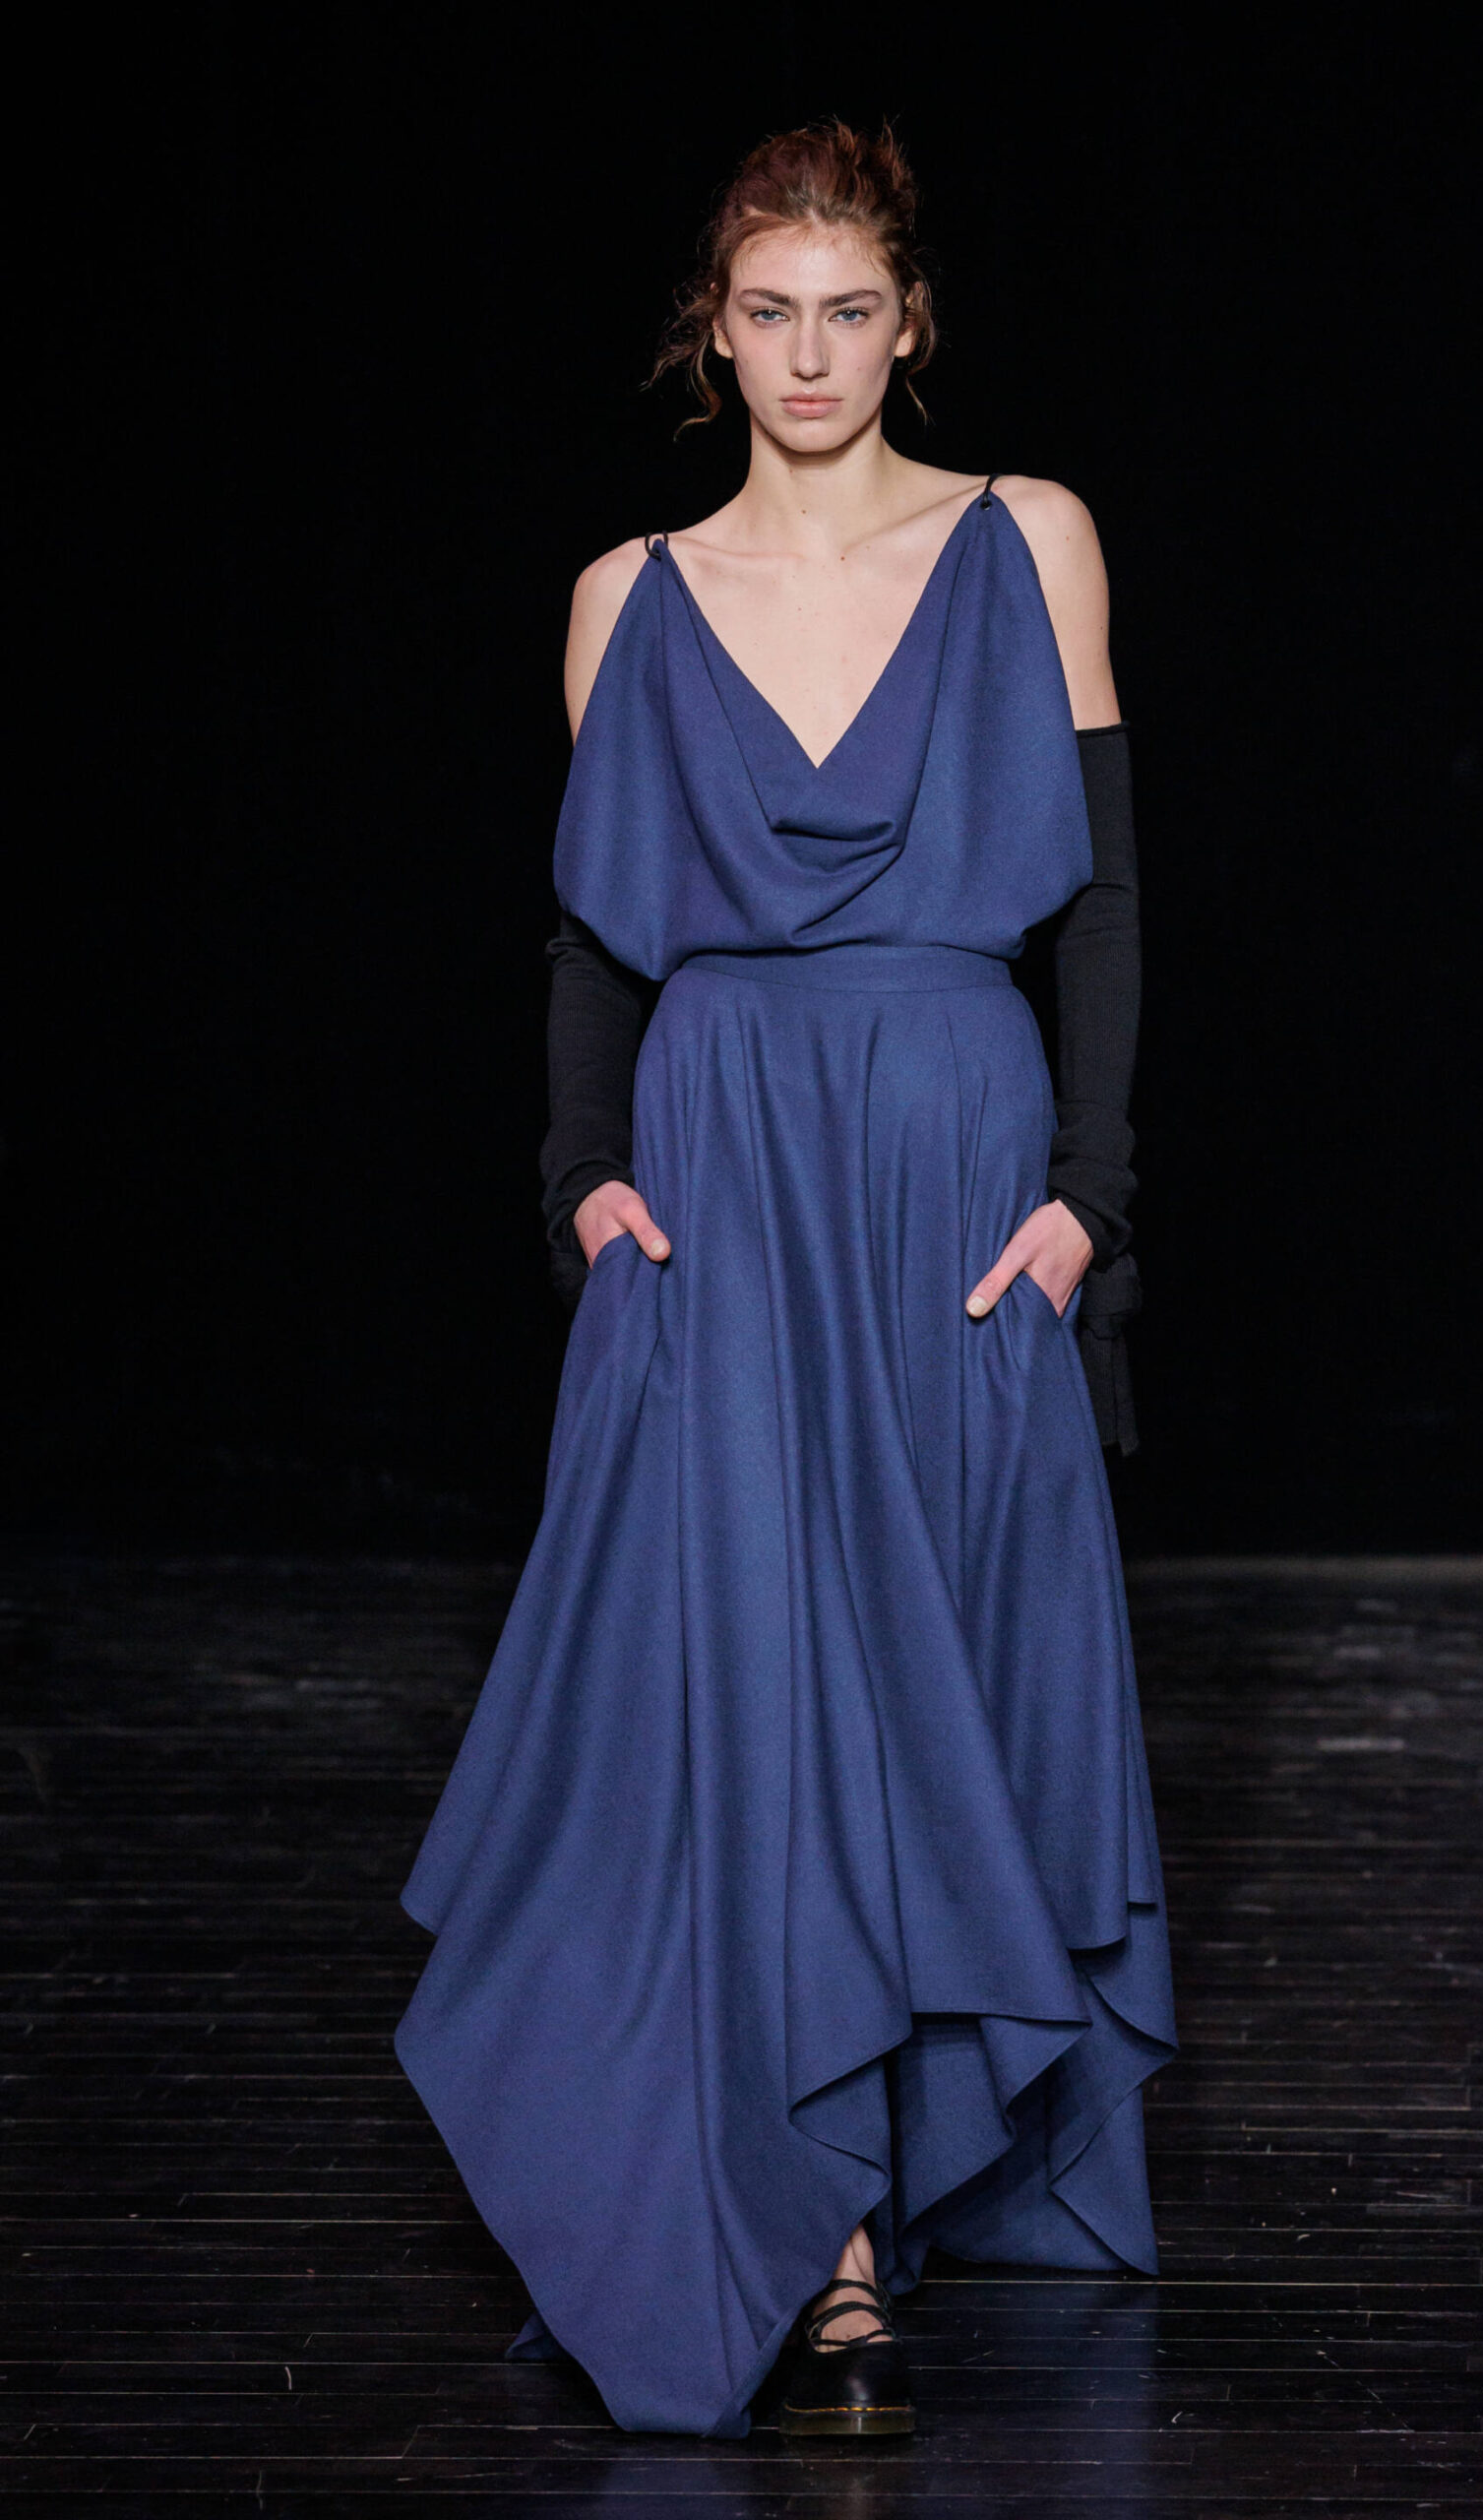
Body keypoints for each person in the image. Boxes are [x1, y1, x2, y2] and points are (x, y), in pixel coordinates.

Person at [397, 119, 1175, 2444]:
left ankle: (903, 2153)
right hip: (725, 1169)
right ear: (711, 332)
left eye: (849, 310)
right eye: (768, 312)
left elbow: (1103, 902)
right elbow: (589, 937)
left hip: (952, 1161)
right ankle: (815, 2233)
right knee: (750, 1672)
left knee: (937, 1644)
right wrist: (582, 1184)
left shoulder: (1026, 537)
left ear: (905, 321)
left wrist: (1086, 1192)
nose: (809, 353)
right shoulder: (625, 595)